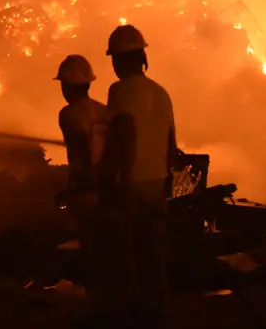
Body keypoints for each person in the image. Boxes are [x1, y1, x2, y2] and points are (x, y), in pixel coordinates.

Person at [101, 24, 178, 328]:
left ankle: (124, 316)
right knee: (153, 255)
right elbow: (172, 149)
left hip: (129, 182)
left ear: (118, 60)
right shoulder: (162, 94)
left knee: (122, 253)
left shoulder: (118, 91)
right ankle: (156, 314)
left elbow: (122, 137)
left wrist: (108, 181)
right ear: (142, 56)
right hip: (157, 183)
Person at [52, 54, 113, 325]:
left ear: (68, 86)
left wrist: (78, 186)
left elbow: (84, 150)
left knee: (91, 247)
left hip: (87, 189)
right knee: (107, 247)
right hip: (109, 188)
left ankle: (96, 309)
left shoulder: (68, 115)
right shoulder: (104, 111)